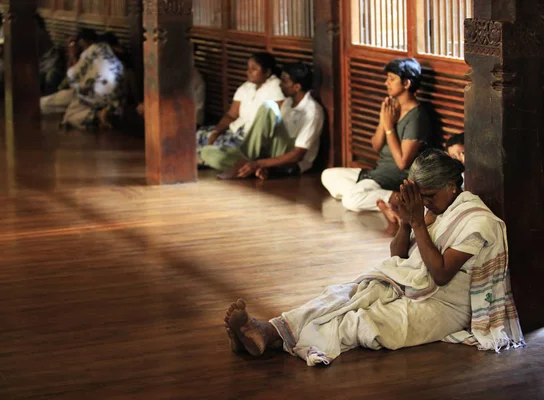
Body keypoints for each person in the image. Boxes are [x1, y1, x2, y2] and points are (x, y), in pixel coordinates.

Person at [224, 149, 524, 366]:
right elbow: (398, 255)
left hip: (446, 304)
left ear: (451, 186)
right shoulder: (434, 209)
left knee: (364, 321)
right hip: (409, 283)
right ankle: (270, 330)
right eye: (423, 198)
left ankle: (269, 339)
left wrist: (418, 222)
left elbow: (442, 275)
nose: (427, 203)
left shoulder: (476, 220)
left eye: (430, 196)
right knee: (341, 296)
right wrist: (407, 221)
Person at [321, 58, 432, 212]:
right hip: (377, 173)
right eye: (387, 78)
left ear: (406, 84)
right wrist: (383, 120)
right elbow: (376, 146)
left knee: (350, 200)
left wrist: (389, 127)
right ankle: (370, 195)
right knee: (328, 175)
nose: (386, 83)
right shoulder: (391, 107)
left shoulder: (417, 117)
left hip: (394, 178)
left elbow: (402, 163)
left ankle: (397, 198)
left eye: (392, 79)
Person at [199, 62, 324, 180]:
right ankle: (252, 168)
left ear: (297, 87)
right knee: (207, 152)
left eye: (285, 82)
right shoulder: (288, 102)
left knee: (268, 107)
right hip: (270, 154)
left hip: (291, 161)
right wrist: (261, 161)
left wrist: (259, 162)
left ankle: (247, 165)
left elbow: (298, 154)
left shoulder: (312, 111)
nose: (280, 84)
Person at [196, 52, 285, 164]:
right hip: (235, 130)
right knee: (200, 135)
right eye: (248, 68)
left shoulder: (276, 87)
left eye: (254, 69)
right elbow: (231, 115)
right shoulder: (246, 87)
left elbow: (271, 122)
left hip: (251, 138)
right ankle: (201, 158)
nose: (249, 72)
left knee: (220, 150)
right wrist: (216, 131)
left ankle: (205, 158)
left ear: (267, 72)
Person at [40, 28, 124, 130]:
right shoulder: (118, 60)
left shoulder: (94, 49)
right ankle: (98, 117)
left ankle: (99, 116)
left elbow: (71, 77)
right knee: (53, 105)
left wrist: (72, 54)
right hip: (92, 97)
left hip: (90, 98)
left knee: (68, 116)